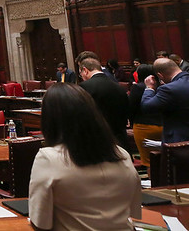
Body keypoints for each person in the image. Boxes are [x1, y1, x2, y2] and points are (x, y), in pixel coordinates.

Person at [29, 84, 141, 231]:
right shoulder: (121, 154)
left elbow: (40, 223)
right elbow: (134, 209)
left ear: (49, 120)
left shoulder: (48, 159)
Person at [78, 55, 129, 149]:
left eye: (80, 74)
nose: (81, 77)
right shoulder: (118, 86)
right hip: (121, 139)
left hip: (99, 141)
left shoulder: (84, 87)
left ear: (85, 70)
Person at [140, 57, 189, 143]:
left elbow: (147, 107)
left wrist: (149, 88)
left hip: (180, 142)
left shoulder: (168, 89)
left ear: (160, 75)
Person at [128, 64, 162, 167]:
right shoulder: (162, 87)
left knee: (149, 162)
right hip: (163, 125)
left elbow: (131, 108)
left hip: (143, 127)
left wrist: (131, 124)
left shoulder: (137, 87)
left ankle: (154, 182)